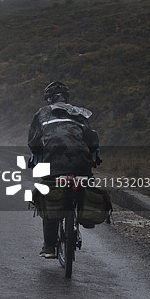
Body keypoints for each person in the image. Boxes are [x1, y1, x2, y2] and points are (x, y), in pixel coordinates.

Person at [28, 81, 99, 258]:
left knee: (49, 193)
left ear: (48, 100)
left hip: (53, 163)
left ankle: (49, 248)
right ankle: (86, 215)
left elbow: (34, 141)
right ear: (67, 99)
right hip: (81, 162)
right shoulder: (80, 113)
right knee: (84, 182)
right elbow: (92, 138)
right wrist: (91, 157)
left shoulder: (42, 113)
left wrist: (37, 154)